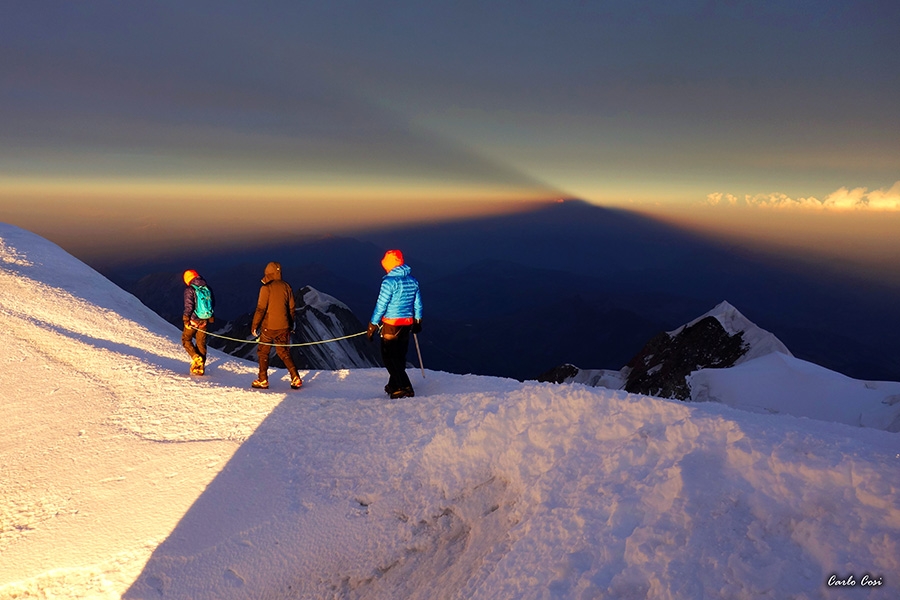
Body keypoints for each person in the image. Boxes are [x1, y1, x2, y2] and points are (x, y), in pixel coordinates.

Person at [367, 249, 423, 398]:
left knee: (389, 357)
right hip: (407, 324)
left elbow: (381, 305)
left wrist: (372, 324)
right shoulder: (413, 280)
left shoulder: (388, 282)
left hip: (391, 324)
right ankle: (393, 385)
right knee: (399, 355)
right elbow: (417, 303)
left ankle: (404, 386)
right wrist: (418, 321)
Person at [251, 261, 303, 390]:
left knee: (263, 352)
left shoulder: (266, 288)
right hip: (284, 326)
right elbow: (291, 308)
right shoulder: (286, 286)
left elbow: (261, 309)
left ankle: (263, 380)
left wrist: (254, 326)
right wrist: (290, 324)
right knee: (284, 352)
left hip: (269, 326)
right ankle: (295, 377)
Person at [182, 269, 215, 375]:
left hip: (193, 320)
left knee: (186, 339)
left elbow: (189, 306)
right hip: (204, 320)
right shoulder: (206, 287)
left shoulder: (190, 289)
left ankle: (196, 357)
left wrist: (186, 319)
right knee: (201, 343)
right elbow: (212, 302)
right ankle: (200, 368)